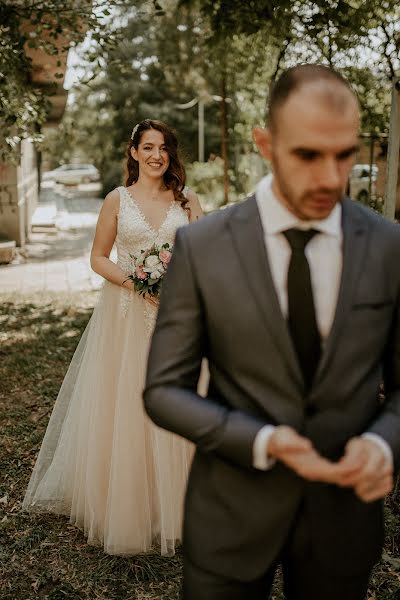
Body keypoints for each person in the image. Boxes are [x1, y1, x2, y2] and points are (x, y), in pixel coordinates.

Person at [143, 66, 400, 599]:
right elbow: (164, 390)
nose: (331, 177)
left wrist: (384, 444)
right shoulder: (205, 246)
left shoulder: (387, 245)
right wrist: (262, 440)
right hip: (229, 519)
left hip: (342, 525)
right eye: (307, 155)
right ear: (266, 143)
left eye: (345, 154)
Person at [23, 119, 203, 556]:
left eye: (163, 148)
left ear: (170, 153)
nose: (156, 155)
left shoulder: (188, 200)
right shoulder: (117, 200)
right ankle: (130, 508)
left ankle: (182, 507)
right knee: (130, 405)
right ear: (134, 152)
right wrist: (138, 284)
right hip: (127, 317)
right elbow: (98, 258)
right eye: (148, 147)